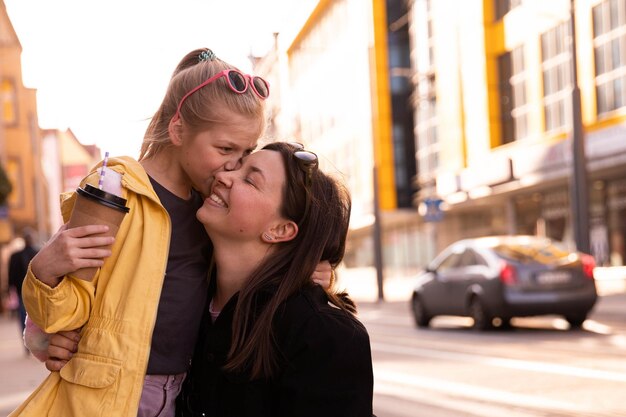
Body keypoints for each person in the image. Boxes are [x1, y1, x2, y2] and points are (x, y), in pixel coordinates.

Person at [11, 48, 330, 417]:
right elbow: (64, 311)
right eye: (226, 149)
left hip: (179, 397)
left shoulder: (211, 209)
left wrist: (304, 271)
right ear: (178, 129)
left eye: (245, 153)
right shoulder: (116, 189)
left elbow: (244, 269)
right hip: (103, 399)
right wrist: (44, 274)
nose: (233, 167)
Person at [177, 142, 374, 416]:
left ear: (280, 229)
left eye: (249, 180)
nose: (223, 176)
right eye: (235, 167)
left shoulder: (322, 336)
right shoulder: (182, 293)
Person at [8, 228, 39, 336]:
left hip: (21, 289)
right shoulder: (39, 253)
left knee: (22, 313)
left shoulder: (15, 256)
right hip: (37, 289)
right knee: (37, 313)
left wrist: (10, 288)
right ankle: (35, 338)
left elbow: (11, 274)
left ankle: (25, 336)